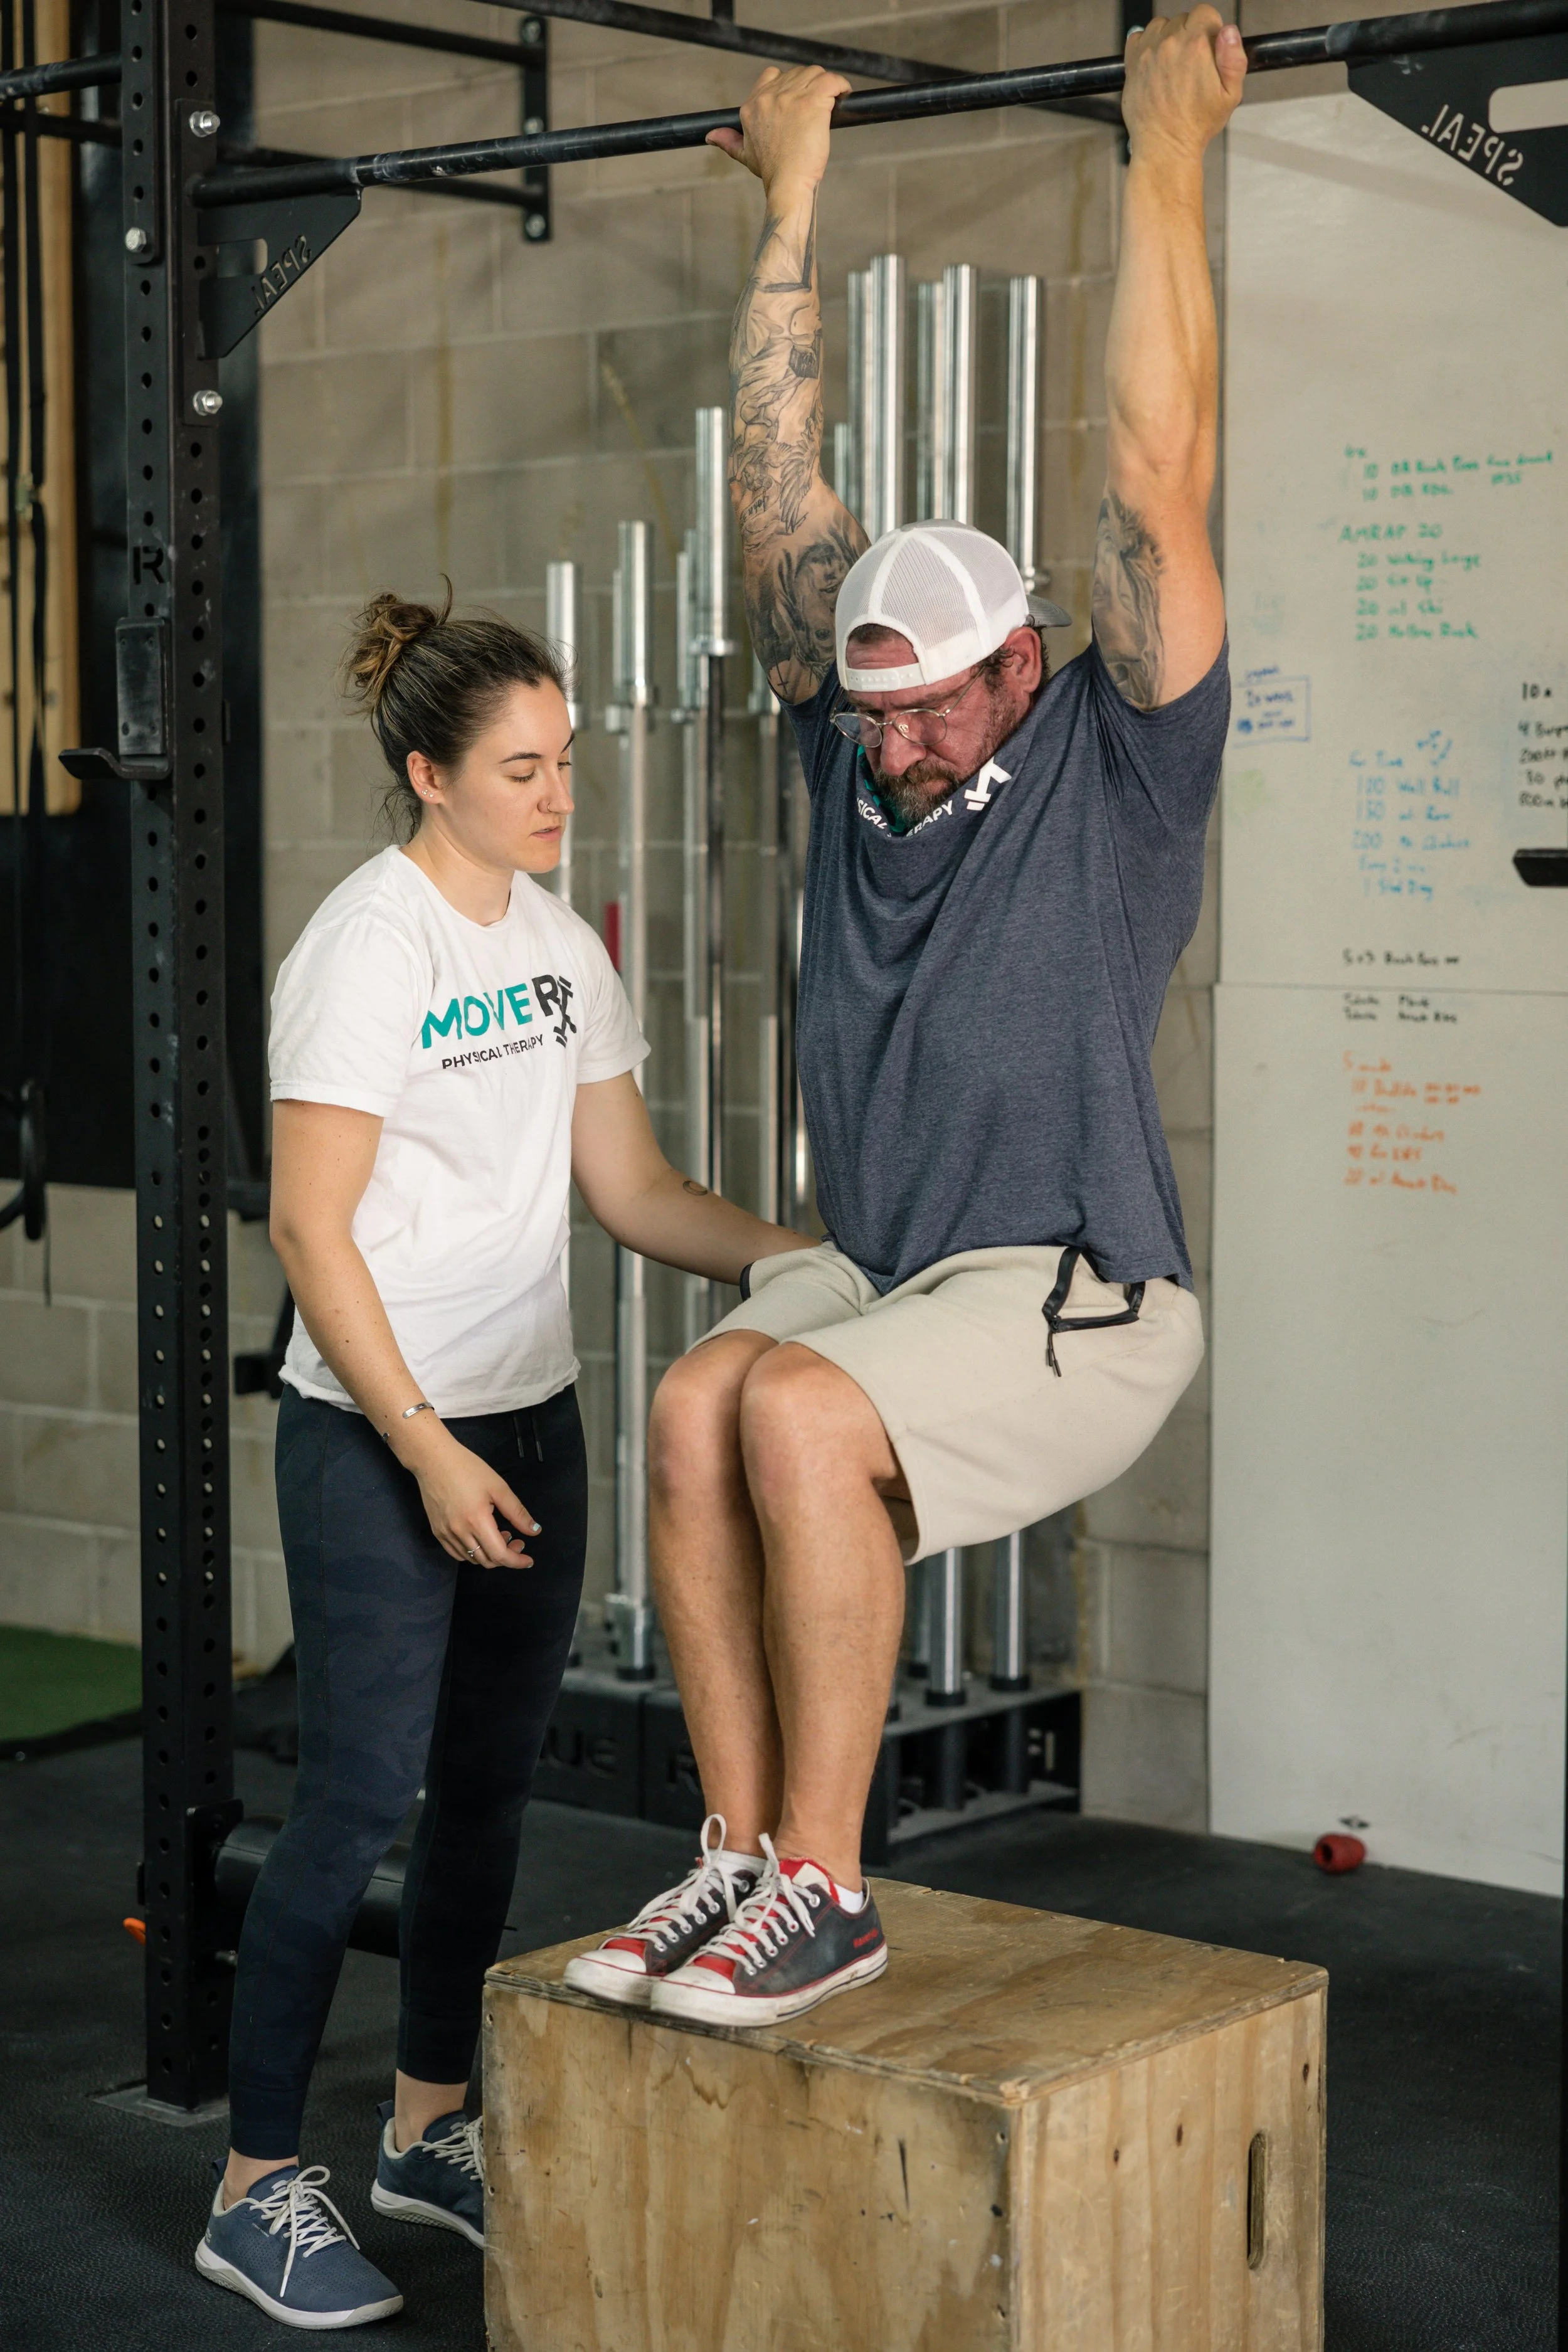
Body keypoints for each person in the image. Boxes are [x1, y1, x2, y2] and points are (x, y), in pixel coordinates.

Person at [566, 14, 1243, 2029]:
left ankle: (837, 1887)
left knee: (789, 1405)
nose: (911, 740)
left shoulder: (1126, 765)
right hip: (889, 1264)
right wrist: (789, 202)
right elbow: (776, 505)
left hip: (1080, 1285)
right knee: (695, 1403)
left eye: (944, 700)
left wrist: (1165, 150)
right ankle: (740, 1860)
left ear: (1024, 661)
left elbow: (1155, 463)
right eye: (878, 709)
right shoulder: (849, 752)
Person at [196, 591, 812, 2330]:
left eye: (567, 763)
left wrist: (801, 1255)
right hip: (377, 1434)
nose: (559, 796)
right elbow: (313, 1234)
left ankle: (425, 2127)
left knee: (483, 1795)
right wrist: (422, 1449)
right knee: (356, 1801)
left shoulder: (559, 946)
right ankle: (252, 2188)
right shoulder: (368, 950)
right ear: (428, 774)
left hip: (526, 1419)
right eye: (523, 770)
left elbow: (629, 1194)